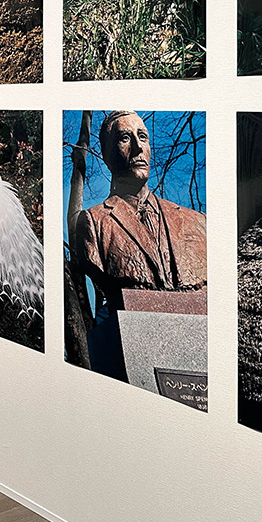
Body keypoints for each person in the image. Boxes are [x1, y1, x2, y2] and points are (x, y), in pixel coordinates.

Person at [71, 111, 206, 380]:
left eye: (142, 137)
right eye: (124, 138)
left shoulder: (196, 223)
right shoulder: (94, 223)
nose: (137, 146)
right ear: (108, 155)